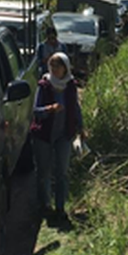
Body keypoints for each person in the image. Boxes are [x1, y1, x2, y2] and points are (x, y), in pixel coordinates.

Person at [30, 52, 83, 222]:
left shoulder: (70, 85)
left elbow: (75, 107)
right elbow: (35, 112)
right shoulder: (44, 85)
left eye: (58, 66)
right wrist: (49, 109)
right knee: (43, 172)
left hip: (64, 134)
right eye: (52, 66)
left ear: (65, 68)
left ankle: (60, 208)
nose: (54, 70)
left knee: (62, 172)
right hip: (44, 134)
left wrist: (81, 127)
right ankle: (45, 205)